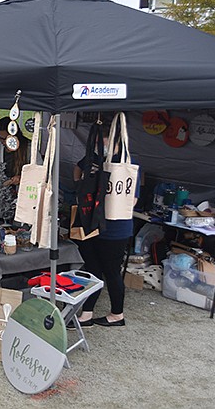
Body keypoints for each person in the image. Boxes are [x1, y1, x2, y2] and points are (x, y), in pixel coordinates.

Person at [71, 121, 133, 328]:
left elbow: (130, 200)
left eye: (103, 143)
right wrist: (81, 186)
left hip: (115, 229)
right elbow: (77, 168)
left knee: (111, 271)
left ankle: (117, 314)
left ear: (115, 142)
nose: (101, 147)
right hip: (92, 224)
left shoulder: (124, 165)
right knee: (93, 270)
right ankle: (86, 314)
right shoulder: (94, 158)